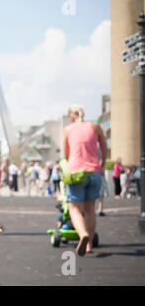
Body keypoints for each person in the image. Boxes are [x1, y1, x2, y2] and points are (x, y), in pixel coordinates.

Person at [64, 104, 107, 256]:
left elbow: (67, 154)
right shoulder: (95, 127)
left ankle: (83, 234)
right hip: (94, 172)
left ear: (71, 116)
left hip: (76, 172)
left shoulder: (68, 130)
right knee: (90, 210)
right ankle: (89, 246)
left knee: (74, 208)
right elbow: (104, 147)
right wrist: (101, 165)